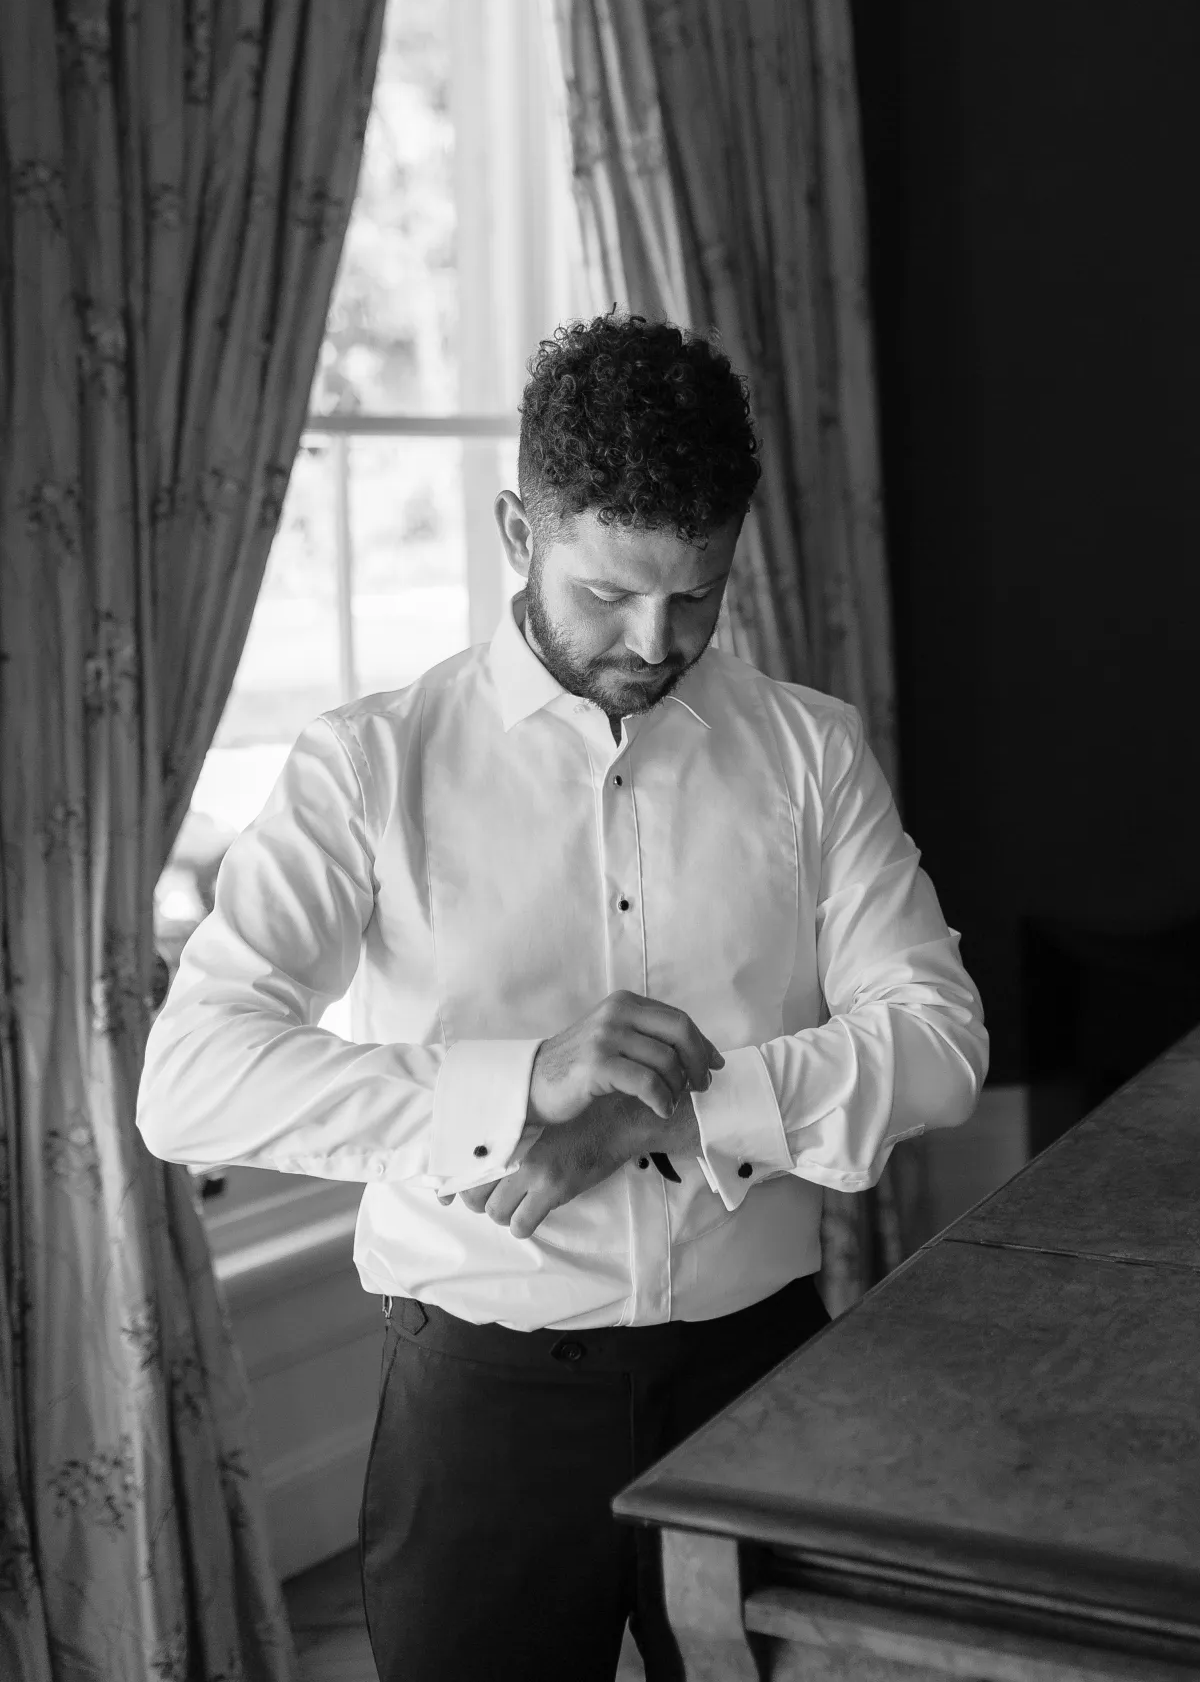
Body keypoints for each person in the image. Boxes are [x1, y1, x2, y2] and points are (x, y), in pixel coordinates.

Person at [137, 312, 988, 1682]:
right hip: (483, 1409)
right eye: (610, 593)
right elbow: (191, 1082)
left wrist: (669, 1114)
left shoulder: (811, 751)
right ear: (515, 532)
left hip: (761, 1381)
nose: (657, 639)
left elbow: (941, 1041)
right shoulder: (368, 765)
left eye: (699, 595)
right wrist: (520, 1084)